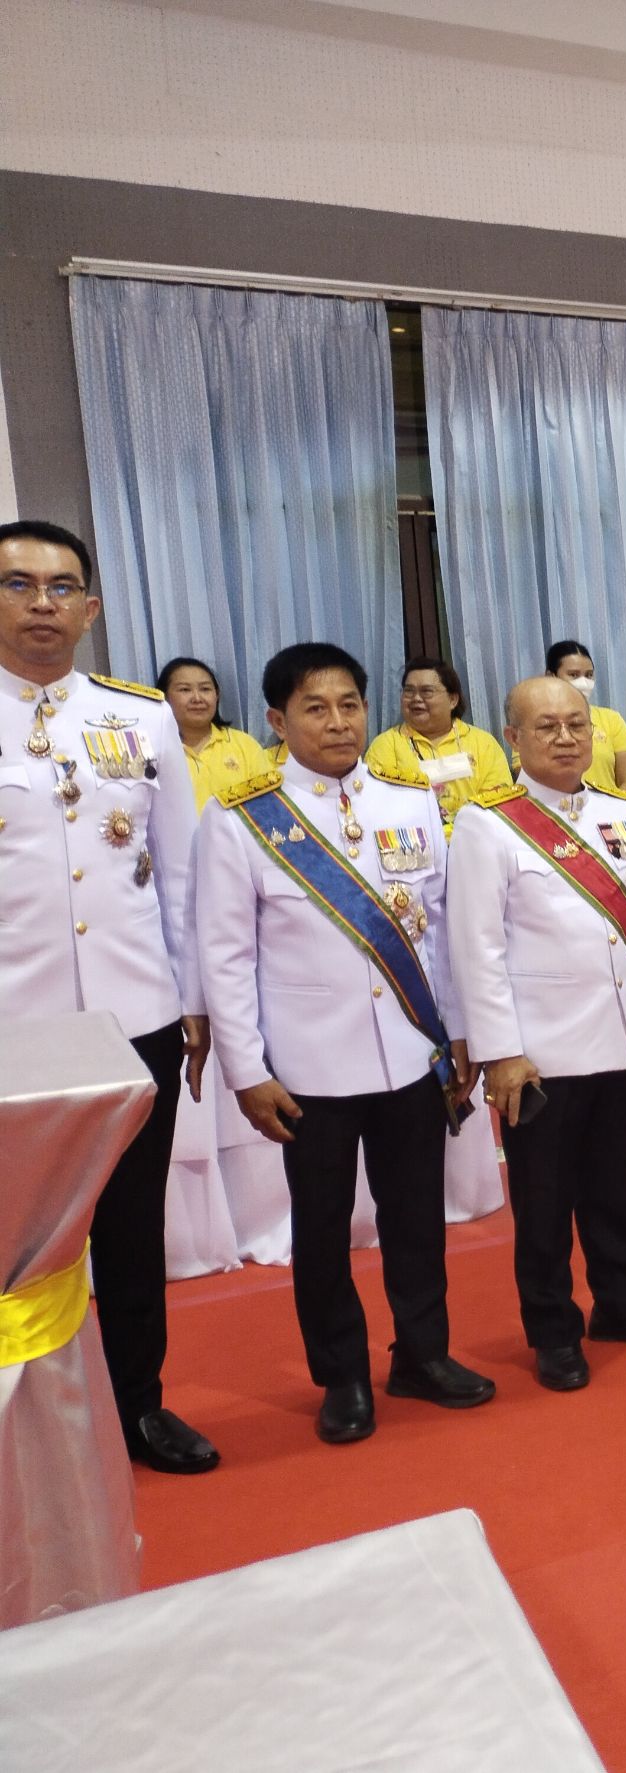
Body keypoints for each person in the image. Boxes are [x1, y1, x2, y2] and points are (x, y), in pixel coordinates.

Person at [196, 642, 492, 1444]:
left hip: (408, 1052)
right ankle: (344, 1375)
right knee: (322, 1228)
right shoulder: (239, 819)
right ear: (276, 720)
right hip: (306, 1065)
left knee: (415, 1217)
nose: (337, 722)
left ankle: (422, 1354)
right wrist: (247, 1072)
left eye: (349, 705)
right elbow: (224, 956)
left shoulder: (410, 801)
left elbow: (440, 933)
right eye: (315, 708)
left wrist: (459, 1034)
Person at [0, 520, 217, 1475]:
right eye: (17, 584)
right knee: (15, 1235)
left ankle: (139, 1406)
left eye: (60, 586)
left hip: (135, 1017)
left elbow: (181, 873)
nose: (41, 602)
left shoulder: (141, 716)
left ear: (91, 606)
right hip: (15, 1026)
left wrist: (194, 999)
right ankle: (22, 1420)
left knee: (131, 1224)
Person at [448, 675, 626, 1391]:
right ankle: (553, 1329)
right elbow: (478, 947)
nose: (565, 738)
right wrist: (501, 1053)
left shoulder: (623, 814)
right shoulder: (488, 823)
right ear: (513, 738)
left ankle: (625, 1303)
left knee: (621, 1189)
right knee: (546, 1202)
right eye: (546, 726)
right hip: (543, 1053)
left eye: (577, 725)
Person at [366, 656, 512, 832]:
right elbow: (379, 808)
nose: (416, 699)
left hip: (474, 840)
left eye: (427, 692)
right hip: (416, 845)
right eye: (409, 691)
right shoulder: (386, 745)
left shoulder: (483, 743)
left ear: (453, 700)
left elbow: (500, 802)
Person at [160, 655, 269, 808]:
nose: (197, 698)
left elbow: (268, 806)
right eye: (185, 689)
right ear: (164, 697)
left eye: (205, 689)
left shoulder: (244, 745)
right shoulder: (154, 749)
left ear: (217, 695)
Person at [543, 640, 626, 797]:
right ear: (551, 676)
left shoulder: (611, 719)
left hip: (608, 815)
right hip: (556, 814)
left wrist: (610, 810)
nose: (584, 682)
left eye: (589, 675)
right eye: (574, 675)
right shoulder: (535, 723)